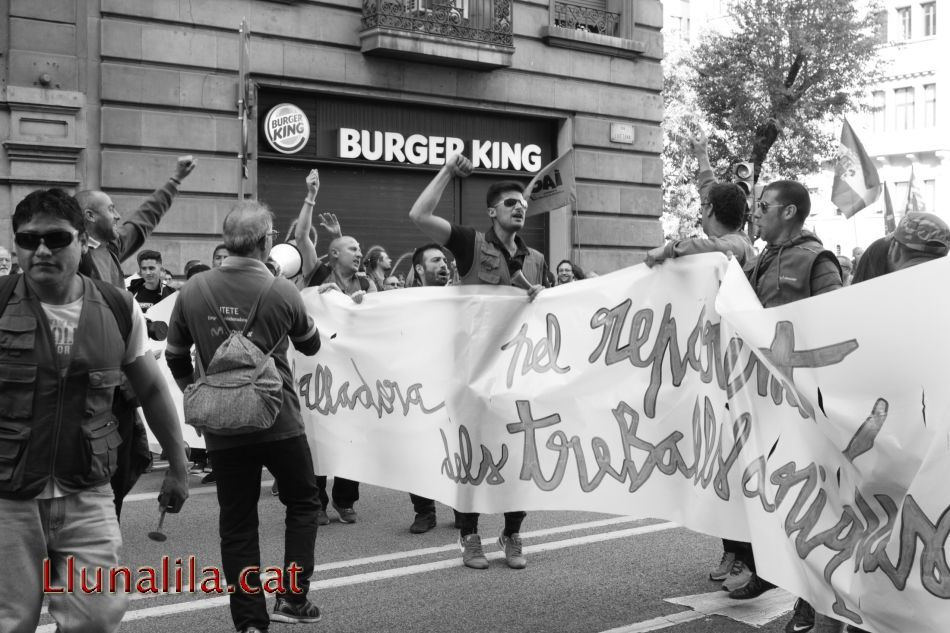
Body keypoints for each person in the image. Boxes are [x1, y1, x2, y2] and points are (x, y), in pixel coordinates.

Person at [0, 188, 189, 633]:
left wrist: (178, 464)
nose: (41, 249)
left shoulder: (117, 307)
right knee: (10, 621)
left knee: (98, 616)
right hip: (8, 497)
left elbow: (153, 391)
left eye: (55, 238)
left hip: (87, 492)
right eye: (28, 240)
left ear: (83, 240)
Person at [165, 201, 322, 632]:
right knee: (302, 504)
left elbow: (175, 356)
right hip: (280, 419)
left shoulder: (192, 289)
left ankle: (250, 622)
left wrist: (199, 393)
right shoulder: (281, 289)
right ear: (266, 240)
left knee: (237, 521)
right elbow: (311, 346)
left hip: (222, 427)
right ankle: (292, 596)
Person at [799, 213, 950, 633]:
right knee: (910, 578)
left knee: (842, 562)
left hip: (864, 461)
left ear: (895, 250)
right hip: (927, 470)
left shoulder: (863, 309)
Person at [409, 151, 548, 570]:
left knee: (519, 458)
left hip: (519, 374)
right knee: (470, 457)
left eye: (522, 204)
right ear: (492, 211)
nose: (519, 208)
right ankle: (470, 535)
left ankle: (513, 532)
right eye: (510, 203)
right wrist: (449, 172)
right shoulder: (470, 243)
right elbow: (419, 214)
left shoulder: (537, 260)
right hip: (471, 374)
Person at [644, 127, 756, 591]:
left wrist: (669, 248)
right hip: (708, 372)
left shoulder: (738, 246)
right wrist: (702, 156)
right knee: (717, 463)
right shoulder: (722, 222)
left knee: (733, 463)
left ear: (710, 213)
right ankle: (734, 551)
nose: (701, 206)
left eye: (705, 206)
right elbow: (712, 192)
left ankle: (750, 558)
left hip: (733, 376)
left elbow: (721, 245)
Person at [74, 155, 196, 517]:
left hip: (121, 387)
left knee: (124, 468)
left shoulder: (109, 249)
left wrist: (174, 181)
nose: (117, 215)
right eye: (109, 209)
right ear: (89, 218)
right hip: (91, 394)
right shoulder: (75, 260)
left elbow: (144, 220)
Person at [746, 181, 843, 621]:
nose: (756, 213)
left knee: (812, 504)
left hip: (806, 404)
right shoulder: (761, 257)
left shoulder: (817, 261)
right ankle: (770, 570)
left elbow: (837, 322)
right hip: (766, 400)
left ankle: (810, 601)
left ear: (788, 212)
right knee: (773, 497)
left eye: (763, 206)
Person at [404, 244, 463, 534]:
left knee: (459, 450)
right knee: (419, 453)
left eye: (445, 259)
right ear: (419, 269)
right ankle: (424, 512)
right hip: (419, 391)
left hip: (455, 389)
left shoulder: (462, 297)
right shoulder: (402, 301)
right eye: (436, 260)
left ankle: (463, 510)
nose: (444, 264)